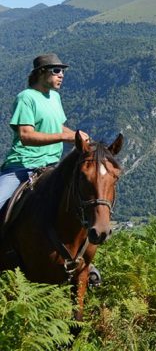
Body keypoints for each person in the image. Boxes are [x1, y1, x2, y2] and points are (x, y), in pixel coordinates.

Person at [0, 54, 101, 285]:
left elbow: (58, 125)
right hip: (22, 166)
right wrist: (64, 137)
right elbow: (25, 135)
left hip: (51, 166)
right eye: (56, 70)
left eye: (62, 70)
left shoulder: (54, 97)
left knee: (80, 204)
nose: (61, 74)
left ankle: (85, 260)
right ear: (41, 73)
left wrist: (73, 134)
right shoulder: (26, 98)